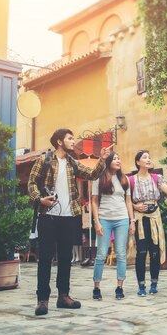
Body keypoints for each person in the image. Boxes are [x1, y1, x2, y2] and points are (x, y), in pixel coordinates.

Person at [28, 128, 110, 316]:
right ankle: (42, 299)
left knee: (65, 258)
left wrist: (102, 159)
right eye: (70, 138)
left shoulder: (73, 163)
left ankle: (63, 296)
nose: (74, 141)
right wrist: (40, 199)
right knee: (46, 258)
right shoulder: (45, 160)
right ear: (59, 141)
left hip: (69, 216)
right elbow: (31, 183)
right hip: (48, 215)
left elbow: (92, 174)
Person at [129, 150, 167, 296]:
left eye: (149, 157)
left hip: (155, 218)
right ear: (138, 162)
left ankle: (154, 283)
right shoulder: (131, 180)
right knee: (141, 252)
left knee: (155, 252)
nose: (148, 159)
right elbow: (127, 201)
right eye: (144, 157)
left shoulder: (157, 178)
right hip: (140, 219)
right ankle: (141, 286)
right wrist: (136, 207)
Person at [91, 151, 135, 300]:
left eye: (119, 158)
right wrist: (96, 222)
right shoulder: (99, 178)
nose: (118, 160)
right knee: (101, 254)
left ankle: (119, 287)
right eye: (115, 158)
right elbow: (94, 201)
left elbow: (128, 201)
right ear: (108, 161)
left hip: (122, 219)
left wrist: (132, 220)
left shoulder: (125, 179)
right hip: (104, 218)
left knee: (121, 253)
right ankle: (96, 287)